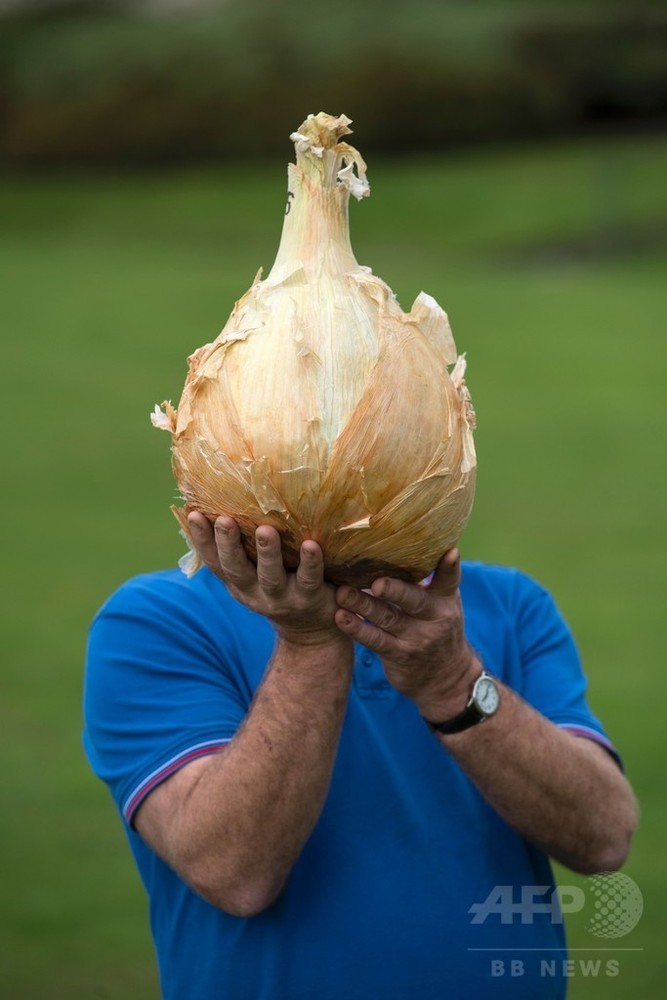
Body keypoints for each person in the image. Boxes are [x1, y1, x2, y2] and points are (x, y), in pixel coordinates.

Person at [83, 512, 637, 1000]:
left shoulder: (510, 605)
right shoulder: (153, 620)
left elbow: (605, 836)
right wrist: (310, 640)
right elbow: (233, 873)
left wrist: (451, 680)